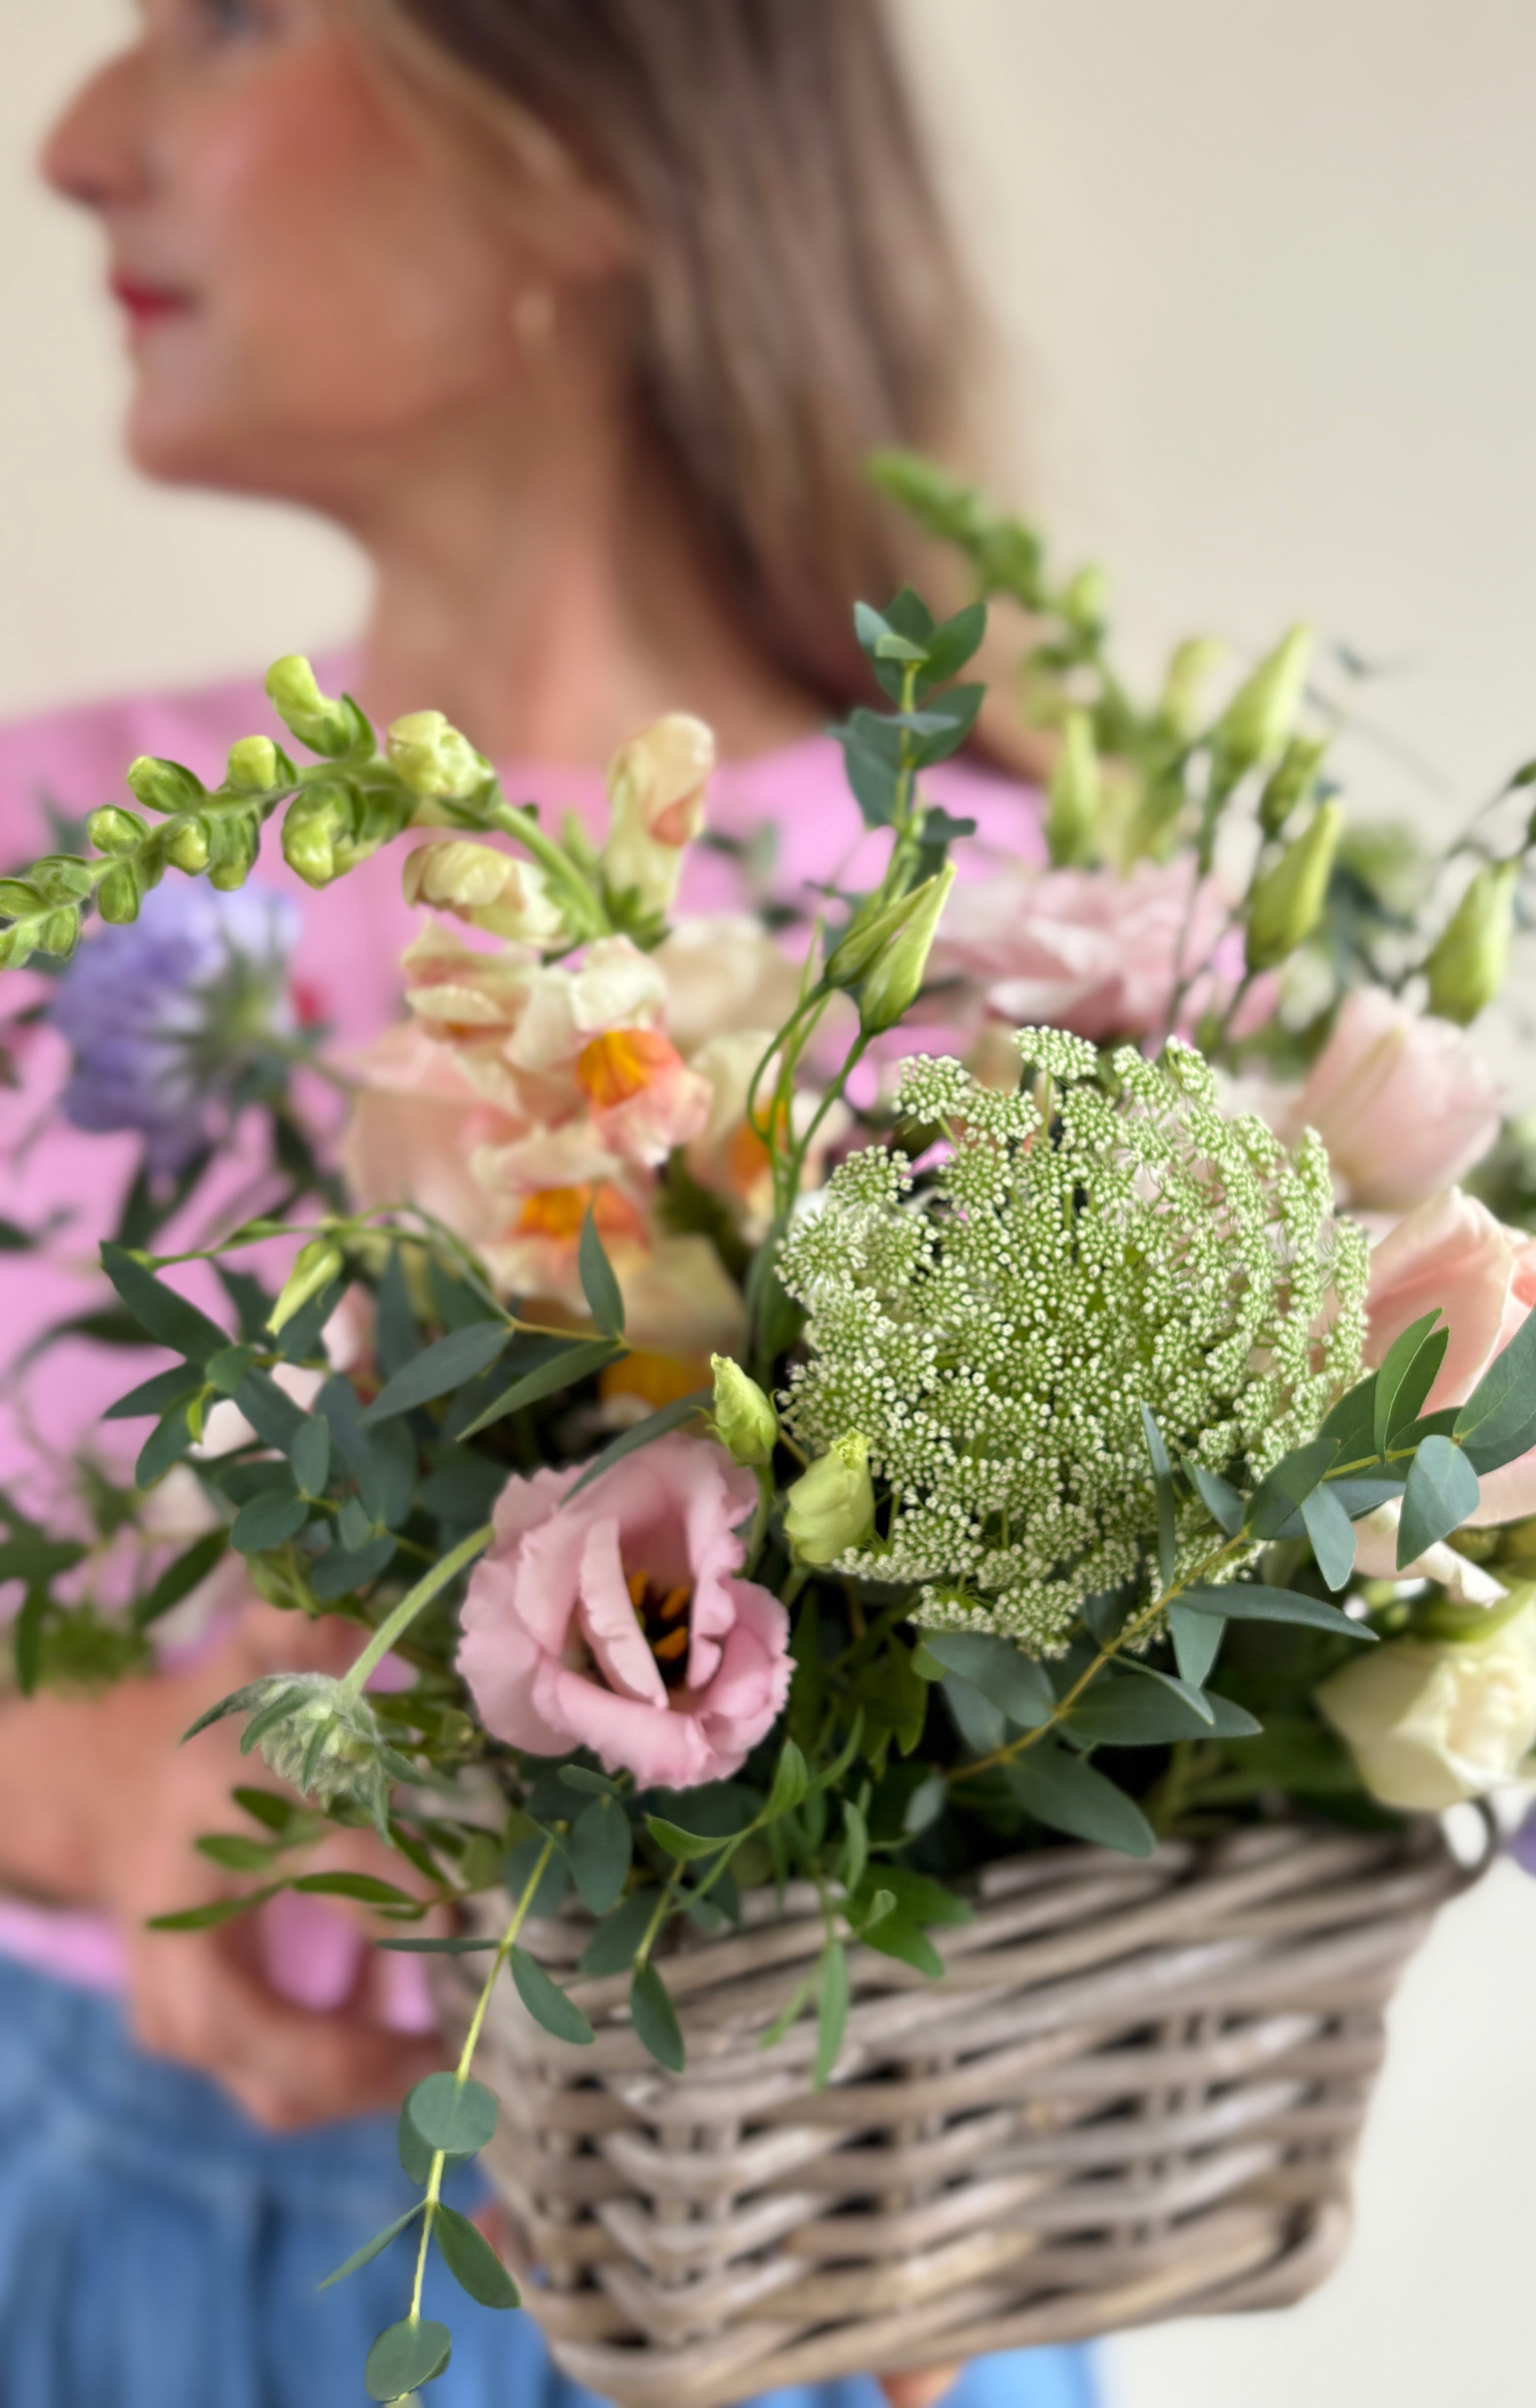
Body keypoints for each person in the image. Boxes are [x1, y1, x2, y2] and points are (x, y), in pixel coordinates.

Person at [0, 5, 1091, 2406]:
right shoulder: (51, 870)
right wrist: (113, 1784)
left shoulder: (1044, 938)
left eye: (233, 21)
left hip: (802, 2304)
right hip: (80, 2243)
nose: (79, 140)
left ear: (590, 152)